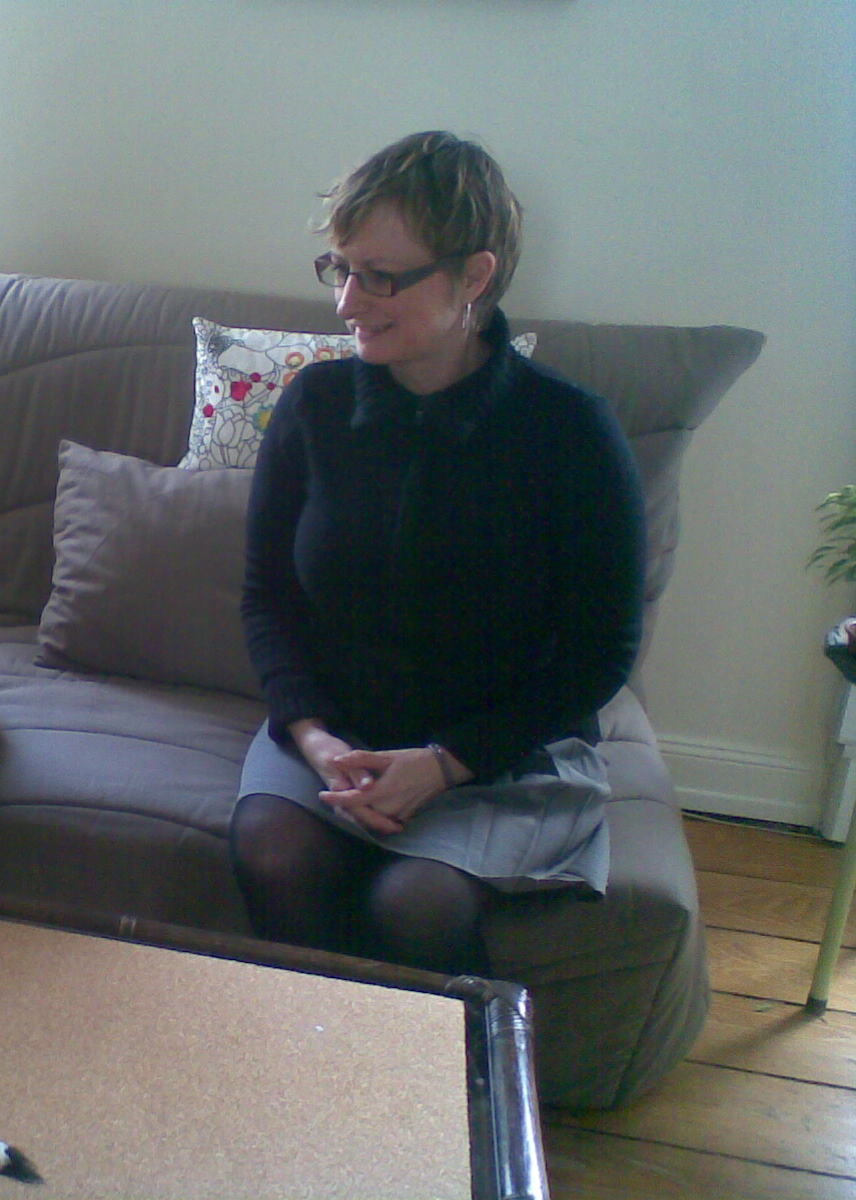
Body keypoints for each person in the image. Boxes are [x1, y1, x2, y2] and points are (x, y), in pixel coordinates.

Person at [232, 132, 645, 975]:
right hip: (336, 734)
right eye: (341, 268)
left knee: (416, 903)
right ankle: (300, 1053)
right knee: (273, 851)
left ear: (475, 277)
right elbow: (266, 595)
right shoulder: (314, 405)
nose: (348, 302)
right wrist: (314, 737)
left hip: (501, 753)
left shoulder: (571, 433)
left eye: (381, 276)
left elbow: (601, 651)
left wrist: (446, 763)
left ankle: (443, 1060)